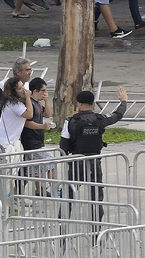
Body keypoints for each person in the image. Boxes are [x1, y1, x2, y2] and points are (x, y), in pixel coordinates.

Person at [60, 87, 128, 225]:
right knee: (96, 198)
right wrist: (124, 102)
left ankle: (61, 232)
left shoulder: (71, 121)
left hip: (76, 162)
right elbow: (117, 115)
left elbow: (63, 146)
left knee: (68, 196)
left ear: (78, 103)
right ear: (93, 103)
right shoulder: (100, 119)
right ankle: (95, 233)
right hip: (94, 163)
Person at [0, 76, 33, 159]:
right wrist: (28, 98)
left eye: (23, 86)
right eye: (20, 88)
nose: (24, 90)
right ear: (14, 91)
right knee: (5, 168)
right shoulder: (13, 104)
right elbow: (29, 115)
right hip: (4, 143)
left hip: (10, 141)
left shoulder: (17, 103)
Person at [0, 58, 32, 128]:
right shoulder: (5, 85)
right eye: (27, 70)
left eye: (30, 69)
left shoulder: (27, 85)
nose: (30, 72)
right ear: (18, 72)